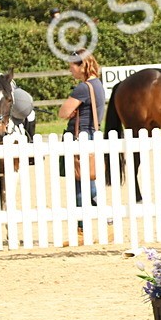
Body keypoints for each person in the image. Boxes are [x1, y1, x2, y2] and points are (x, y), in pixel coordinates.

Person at [58, 51, 106, 244]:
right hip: (91, 135)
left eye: (72, 66)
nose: (71, 70)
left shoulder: (83, 88)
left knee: (81, 185)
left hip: (80, 137)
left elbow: (63, 112)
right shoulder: (97, 85)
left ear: (81, 66)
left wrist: (71, 111)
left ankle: (84, 229)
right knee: (87, 182)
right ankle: (103, 222)